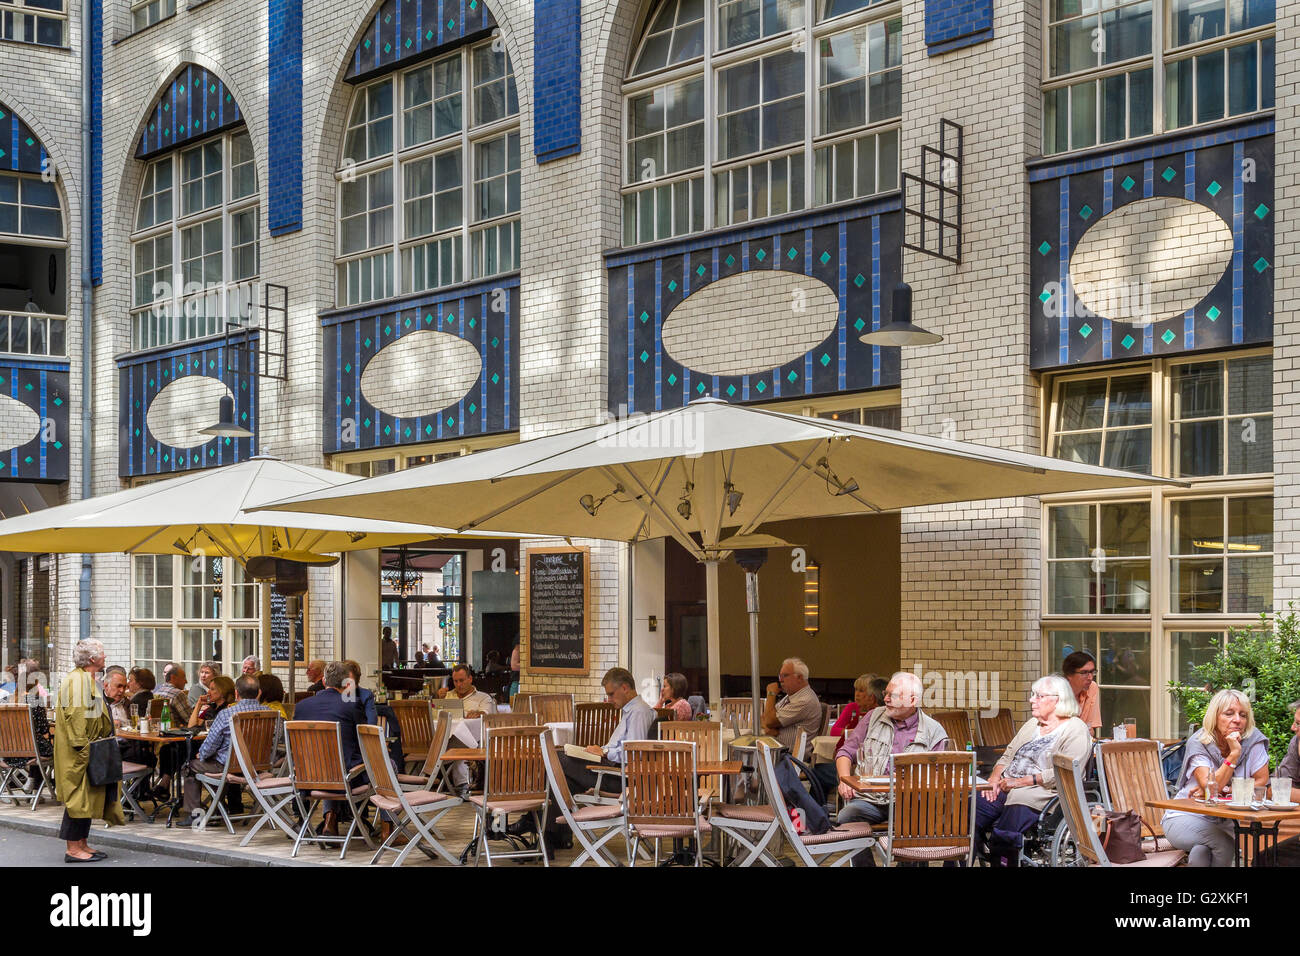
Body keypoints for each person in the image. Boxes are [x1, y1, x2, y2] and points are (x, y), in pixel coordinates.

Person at [519, 667, 653, 848]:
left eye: (612, 694)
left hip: (618, 776)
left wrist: (604, 752)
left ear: (625, 687)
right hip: (611, 770)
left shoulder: (638, 712)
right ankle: (554, 837)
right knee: (562, 780)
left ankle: (533, 821)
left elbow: (635, 753)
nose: (609, 699)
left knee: (556, 759)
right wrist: (600, 750)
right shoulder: (633, 710)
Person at [834, 671, 949, 865]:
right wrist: (844, 780)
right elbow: (845, 752)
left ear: (912, 700)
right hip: (871, 801)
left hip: (910, 804)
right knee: (847, 815)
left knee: (917, 823)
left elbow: (940, 778)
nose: (885, 699)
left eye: (892, 696)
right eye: (886, 693)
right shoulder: (873, 717)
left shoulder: (933, 731)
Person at [978, 674, 1091, 866]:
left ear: (1058, 700)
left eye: (1039, 696)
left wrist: (1022, 781)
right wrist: (993, 779)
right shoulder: (1032, 724)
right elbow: (1007, 755)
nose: (1032, 700)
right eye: (1033, 695)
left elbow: (1067, 772)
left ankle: (1003, 860)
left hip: (1041, 792)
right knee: (967, 814)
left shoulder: (1076, 729)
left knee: (1010, 823)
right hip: (1006, 785)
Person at [1163, 688, 1270, 867]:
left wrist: (1226, 790)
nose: (1237, 720)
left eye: (1243, 715)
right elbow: (1210, 787)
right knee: (1225, 845)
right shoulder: (1200, 741)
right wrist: (1234, 754)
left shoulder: (1253, 740)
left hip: (1227, 823)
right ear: (1215, 716)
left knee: (1201, 852)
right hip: (1184, 818)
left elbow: (1261, 782)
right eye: (1229, 713)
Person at [54, 639, 124, 862]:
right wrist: (83, 750)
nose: (106, 657)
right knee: (77, 800)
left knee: (85, 799)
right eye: (102, 653)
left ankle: (82, 843)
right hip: (81, 751)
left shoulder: (86, 679)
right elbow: (75, 717)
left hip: (89, 749)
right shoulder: (78, 682)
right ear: (93, 659)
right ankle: (73, 849)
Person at [293, 662, 371, 836]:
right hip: (344, 780)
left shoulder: (302, 707)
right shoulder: (351, 705)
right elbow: (364, 739)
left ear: (323, 680)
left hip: (308, 779)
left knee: (334, 764)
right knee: (388, 766)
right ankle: (389, 830)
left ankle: (330, 818)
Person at [181, 674, 268, 825]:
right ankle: (217, 811)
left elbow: (210, 745)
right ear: (258, 692)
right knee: (213, 766)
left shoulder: (226, 714)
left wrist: (201, 754)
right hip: (257, 767)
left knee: (191, 766)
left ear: (236, 693)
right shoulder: (269, 713)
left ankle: (195, 814)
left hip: (229, 767)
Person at [810, 673, 885, 794]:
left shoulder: (872, 717)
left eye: (862, 691)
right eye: (856, 690)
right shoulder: (856, 711)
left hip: (859, 769)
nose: (857, 694)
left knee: (817, 772)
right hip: (852, 764)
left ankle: (816, 810)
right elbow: (837, 736)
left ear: (873, 696)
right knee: (818, 770)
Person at [761, 657, 822, 750]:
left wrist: (771, 693)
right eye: (779, 676)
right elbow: (764, 718)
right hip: (775, 751)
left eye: (784, 676)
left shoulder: (805, 700)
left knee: (742, 753)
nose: (780, 680)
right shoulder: (791, 696)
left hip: (788, 758)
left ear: (800, 678)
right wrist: (769, 729)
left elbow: (769, 720)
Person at [1062, 650, 1101, 736]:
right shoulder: (1056, 692)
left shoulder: (1092, 687)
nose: (1090, 677)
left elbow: (1091, 730)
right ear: (1069, 674)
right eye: (1084, 673)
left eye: (1092, 672)